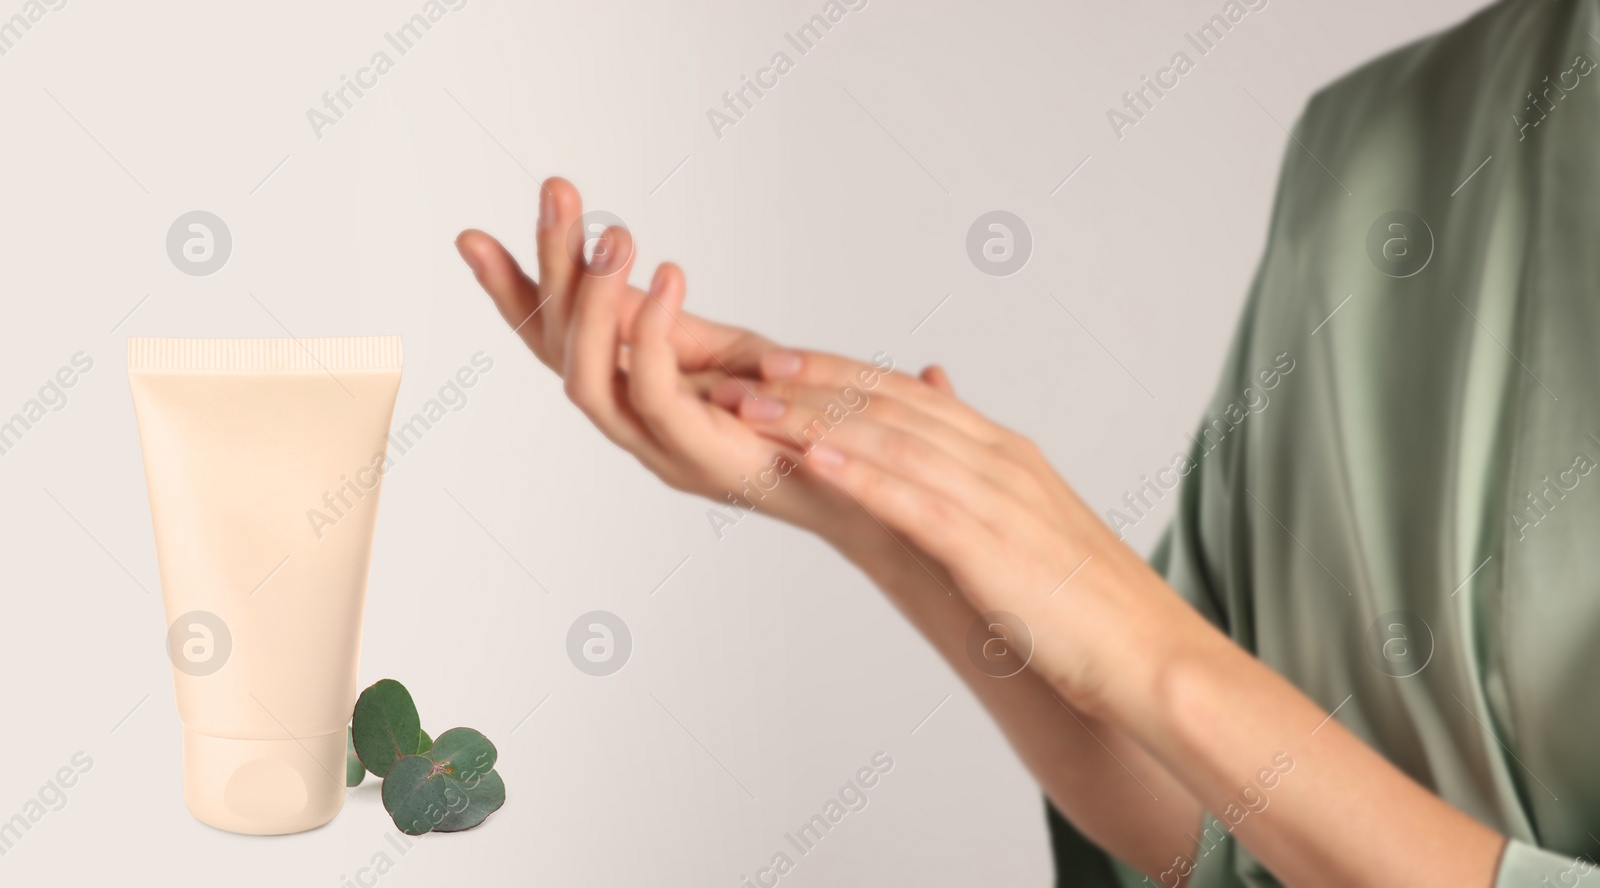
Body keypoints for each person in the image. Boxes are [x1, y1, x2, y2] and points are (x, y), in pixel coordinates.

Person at [453, 2, 1600, 883]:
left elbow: (1175, 688)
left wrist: (1153, 652)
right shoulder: (1364, 142)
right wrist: (884, 517)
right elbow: (1227, 846)